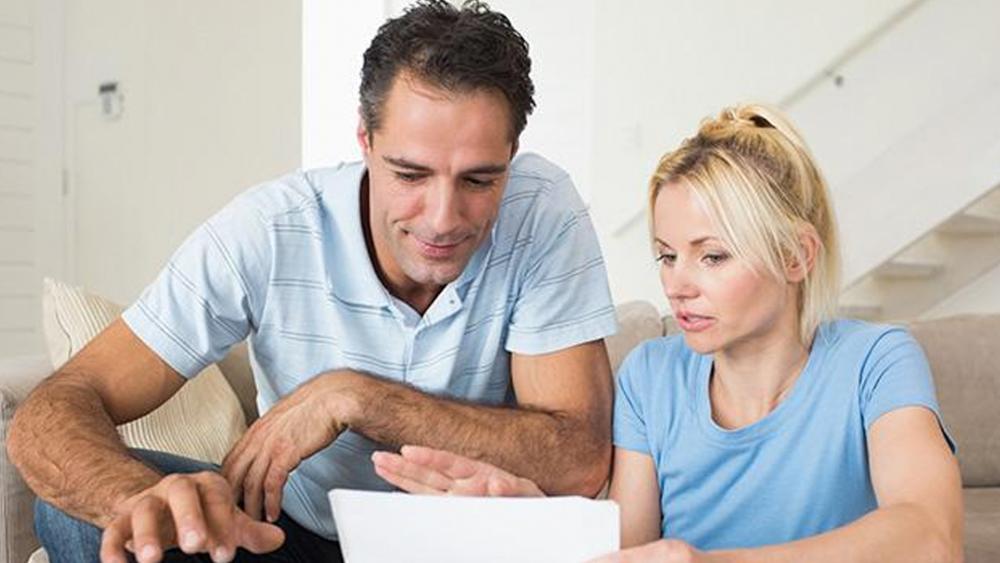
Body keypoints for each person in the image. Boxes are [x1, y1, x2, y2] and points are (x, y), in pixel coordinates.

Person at [6, 2, 618, 562]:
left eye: (479, 180)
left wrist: (357, 397)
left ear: (512, 153)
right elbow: (54, 409)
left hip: (466, 546)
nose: (442, 219)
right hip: (292, 539)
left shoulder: (541, 211)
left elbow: (579, 459)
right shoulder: (270, 230)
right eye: (410, 174)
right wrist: (137, 501)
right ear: (365, 141)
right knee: (78, 513)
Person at [372, 104, 965, 562]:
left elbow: (930, 536)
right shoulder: (651, 376)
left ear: (796, 256)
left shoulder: (876, 362)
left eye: (713, 256)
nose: (677, 284)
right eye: (667, 255)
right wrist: (529, 513)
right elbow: (627, 549)